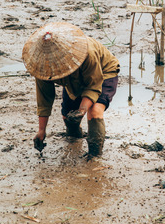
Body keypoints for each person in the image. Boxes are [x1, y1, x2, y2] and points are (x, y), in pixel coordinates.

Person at [22, 21, 120, 157]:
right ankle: (74, 138)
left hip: (102, 73)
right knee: (67, 116)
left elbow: (93, 86)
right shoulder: (41, 66)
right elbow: (44, 99)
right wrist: (41, 131)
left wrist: (82, 110)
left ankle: (94, 155)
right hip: (72, 79)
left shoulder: (88, 53)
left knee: (94, 110)